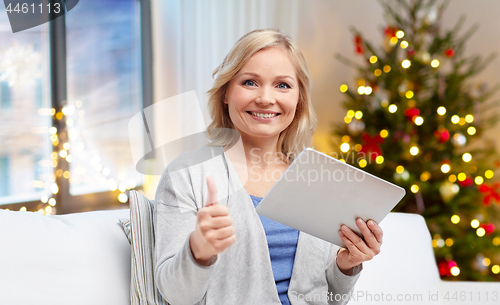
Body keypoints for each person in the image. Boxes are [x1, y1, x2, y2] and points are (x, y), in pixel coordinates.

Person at [153, 28, 383, 305]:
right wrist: (197, 251)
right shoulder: (187, 175)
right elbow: (175, 296)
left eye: (283, 85)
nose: (265, 98)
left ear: (298, 100)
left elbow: (334, 298)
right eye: (249, 82)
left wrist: (346, 265)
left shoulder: (318, 176)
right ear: (226, 93)